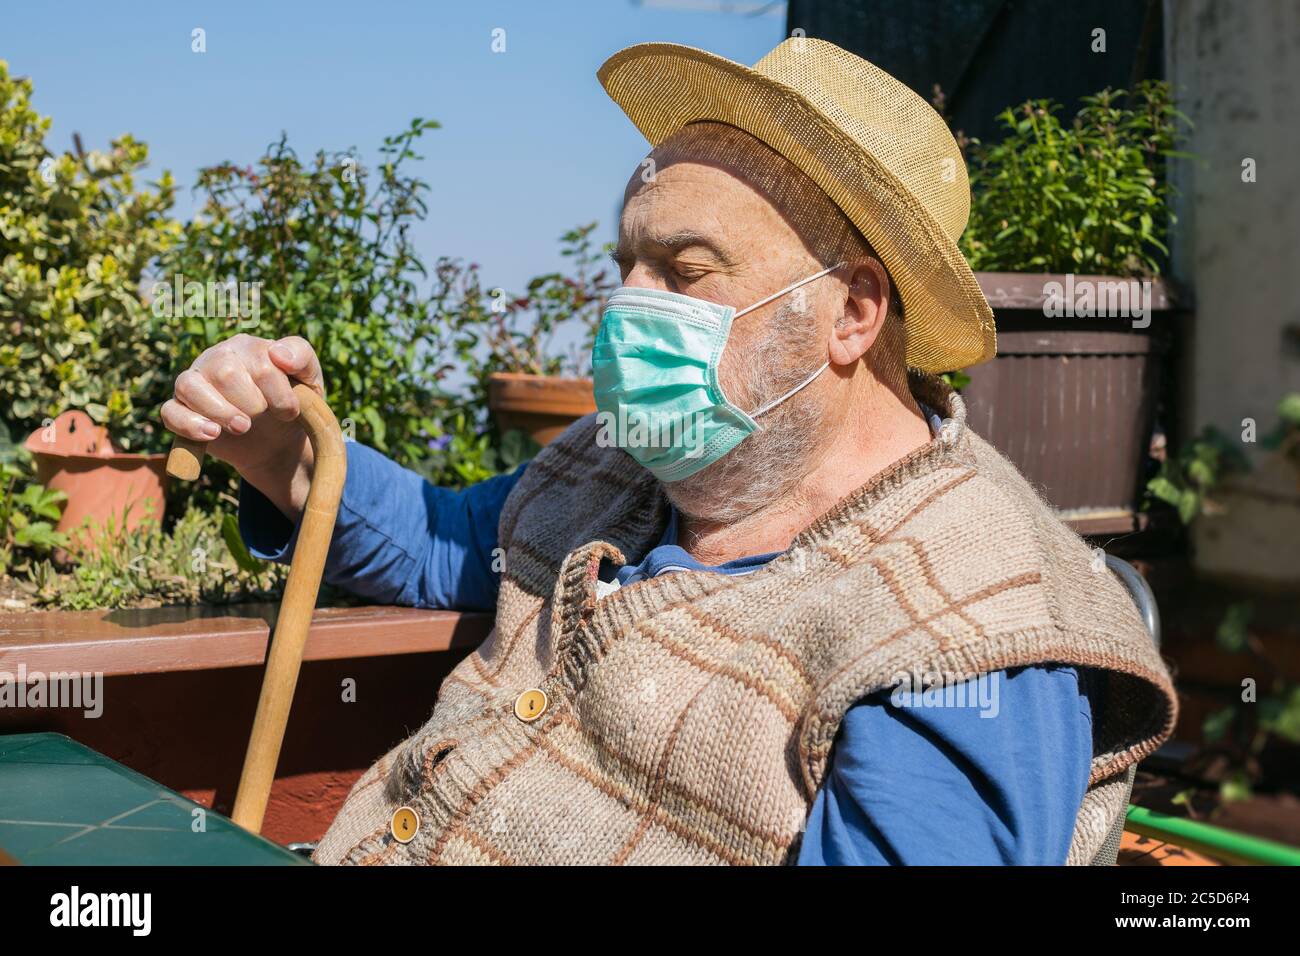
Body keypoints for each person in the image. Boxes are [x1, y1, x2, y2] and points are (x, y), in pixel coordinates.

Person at [162, 38, 1176, 865]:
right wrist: (285, 453)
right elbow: (438, 545)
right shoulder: (626, 466)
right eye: (626, 264)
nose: (625, 307)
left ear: (854, 313)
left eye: (685, 270)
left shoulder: (964, 622)